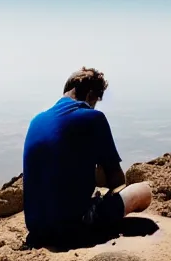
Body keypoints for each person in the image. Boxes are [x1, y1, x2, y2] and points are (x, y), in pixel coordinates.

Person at [23, 67, 152, 249]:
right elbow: (117, 179)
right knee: (143, 191)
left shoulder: (37, 119)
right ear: (91, 95)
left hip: (36, 227)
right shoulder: (94, 118)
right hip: (73, 229)